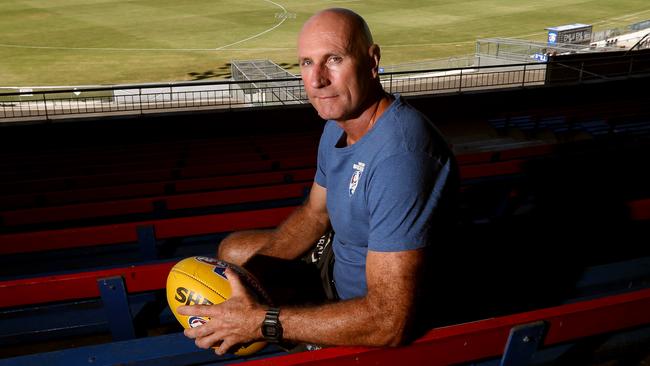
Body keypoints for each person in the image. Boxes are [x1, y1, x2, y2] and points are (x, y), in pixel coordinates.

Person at [178, 7, 458, 355]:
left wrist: (261, 320)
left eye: (334, 59)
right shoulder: (337, 126)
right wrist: (249, 282)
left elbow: (389, 321)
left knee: (248, 324)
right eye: (307, 63)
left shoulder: (401, 157)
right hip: (337, 262)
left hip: (370, 311)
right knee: (234, 253)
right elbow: (314, 214)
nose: (317, 80)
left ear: (372, 61)